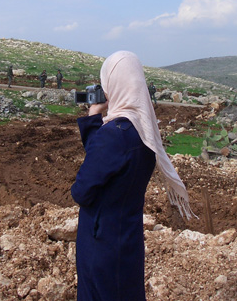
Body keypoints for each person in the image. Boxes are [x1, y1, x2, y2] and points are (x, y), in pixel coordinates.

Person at [71, 50, 194, 301]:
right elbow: (105, 161)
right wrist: (95, 119)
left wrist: (94, 117)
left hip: (100, 241)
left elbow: (81, 191)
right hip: (127, 237)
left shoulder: (113, 135)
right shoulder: (143, 132)